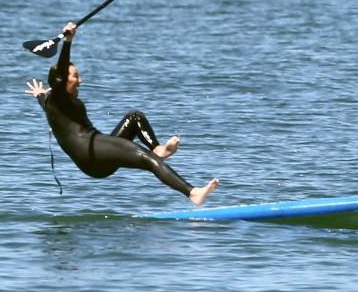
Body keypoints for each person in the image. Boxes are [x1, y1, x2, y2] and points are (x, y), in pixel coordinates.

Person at [25, 22, 219, 205]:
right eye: (75, 76)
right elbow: (59, 76)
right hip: (90, 155)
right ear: (61, 80)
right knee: (147, 160)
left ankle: (156, 148)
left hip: (97, 152)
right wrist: (68, 42)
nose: (81, 80)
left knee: (134, 117)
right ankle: (193, 193)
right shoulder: (59, 97)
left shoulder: (53, 102)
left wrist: (39, 95)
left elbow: (47, 100)